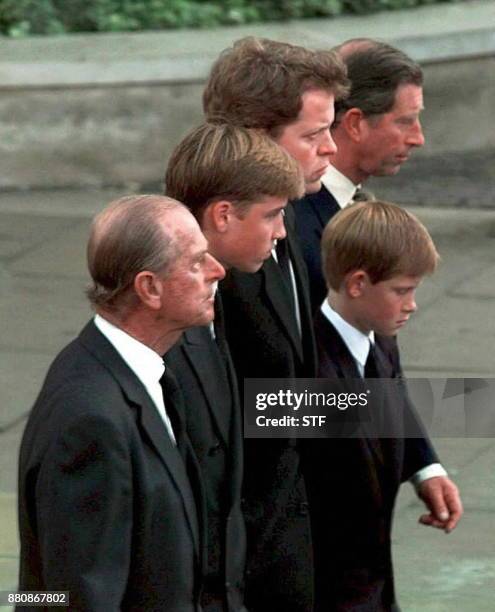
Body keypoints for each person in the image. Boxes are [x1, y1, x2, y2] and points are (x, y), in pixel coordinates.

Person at [17, 195, 225, 611]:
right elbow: (77, 598)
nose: (218, 271)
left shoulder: (144, 373)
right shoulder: (91, 421)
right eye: (197, 262)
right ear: (149, 288)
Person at [203, 37, 349, 611]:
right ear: (257, 141)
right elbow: (244, 410)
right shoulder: (216, 271)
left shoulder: (291, 223)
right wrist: (457, 407)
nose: (330, 150)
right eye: (313, 136)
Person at [164, 122, 304, 612]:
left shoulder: (237, 274)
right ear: (223, 214)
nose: (284, 230)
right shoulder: (186, 316)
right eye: (313, 134)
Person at [309, 199, 463, 611]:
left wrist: (423, 467)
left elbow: (390, 402)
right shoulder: (310, 370)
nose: (412, 304)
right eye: (402, 290)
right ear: (357, 283)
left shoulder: (381, 341)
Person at [293, 39, 427, 311]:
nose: (418, 138)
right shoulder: (295, 225)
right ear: (355, 124)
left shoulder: (341, 205)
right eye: (404, 121)